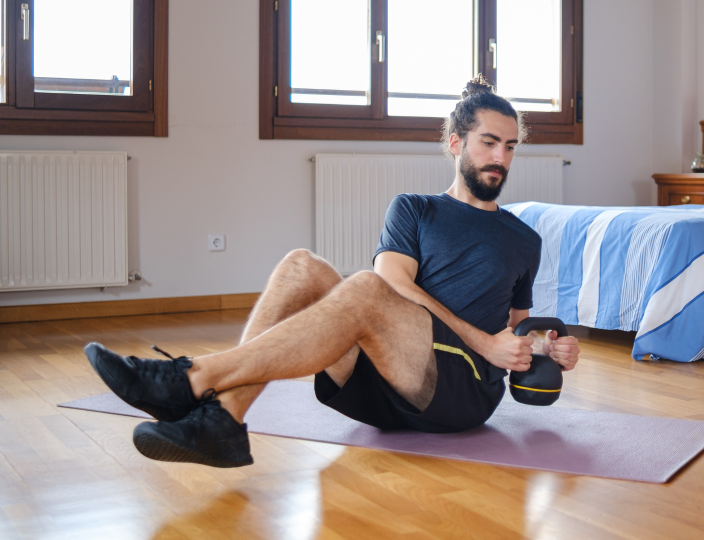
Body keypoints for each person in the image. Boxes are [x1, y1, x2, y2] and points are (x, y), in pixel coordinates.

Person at [84, 76, 581, 468]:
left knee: (363, 288)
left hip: (458, 392)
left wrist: (545, 348)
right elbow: (392, 285)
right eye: (489, 142)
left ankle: (190, 379)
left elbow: (513, 329)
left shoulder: (523, 238)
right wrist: (487, 340)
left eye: (511, 147)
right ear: (455, 144)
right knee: (302, 266)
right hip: (383, 379)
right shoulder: (415, 209)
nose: (500, 158)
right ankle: (224, 422)